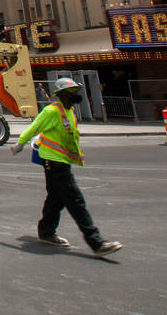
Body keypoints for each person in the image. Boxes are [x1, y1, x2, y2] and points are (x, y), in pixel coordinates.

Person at [10, 77, 123, 256]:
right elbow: (34, 128)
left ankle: (46, 232)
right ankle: (96, 242)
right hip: (54, 163)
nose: (77, 95)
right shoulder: (51, 111)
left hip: (61, 161)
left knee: (56, 199)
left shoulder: (69, 112)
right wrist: (20, 143)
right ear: (63, 94)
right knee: (76, 201)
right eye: (73, 92)